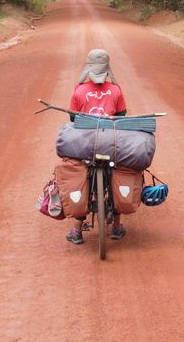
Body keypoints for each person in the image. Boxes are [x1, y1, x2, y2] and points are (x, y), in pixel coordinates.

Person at [66, 48, 127, 245]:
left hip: (85, 145)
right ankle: (117, 226)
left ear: (89, 68)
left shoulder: (79, 90)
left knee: (80, 175)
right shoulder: (116, 90)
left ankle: (77, 230)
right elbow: (122, 116)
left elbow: (73, 119)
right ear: (107, 69)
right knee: (119, 172)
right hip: (110, 143)